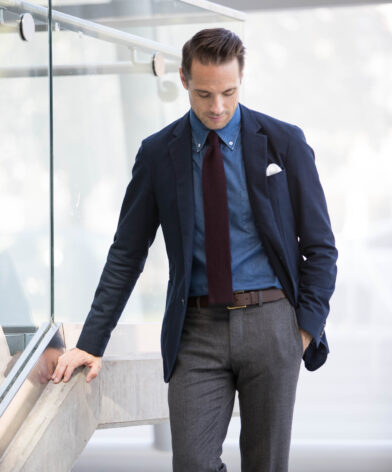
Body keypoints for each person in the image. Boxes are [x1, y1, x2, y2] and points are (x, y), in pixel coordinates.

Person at [52, 28, 338, 471]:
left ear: (242, 78)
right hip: (197, 331)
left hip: (272, 324)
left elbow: (320, 246)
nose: (217, 107)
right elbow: (127, 253)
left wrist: (302, 330)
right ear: (184, 80)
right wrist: (92, 342)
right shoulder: (157, 154)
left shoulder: (285, 142)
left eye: (228, 92)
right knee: (191, 462)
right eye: (204, 94)